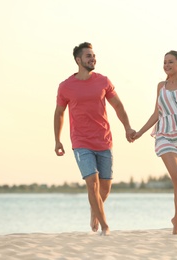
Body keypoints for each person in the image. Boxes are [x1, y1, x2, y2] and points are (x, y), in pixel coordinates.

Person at [54, 42, 135, 236]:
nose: (93, 59)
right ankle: (105, 226)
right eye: (88, 56)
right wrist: (57, 140)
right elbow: (59, 113)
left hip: (104, 140)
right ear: (78, 60)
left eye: (93, 55)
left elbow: (118, 106)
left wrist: (127, 127)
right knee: (92, 182)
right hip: (81, 142)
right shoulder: (65, 87)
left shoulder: (103, 81)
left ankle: (94, 211)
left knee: (105, 188)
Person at [132, 50, 177, 236]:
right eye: (164, 62)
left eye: (170, 62)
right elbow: (157, 113)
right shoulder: (160, 86)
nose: (167, 65)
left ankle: (176, 220)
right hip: (165, 133)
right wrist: (140, 132)